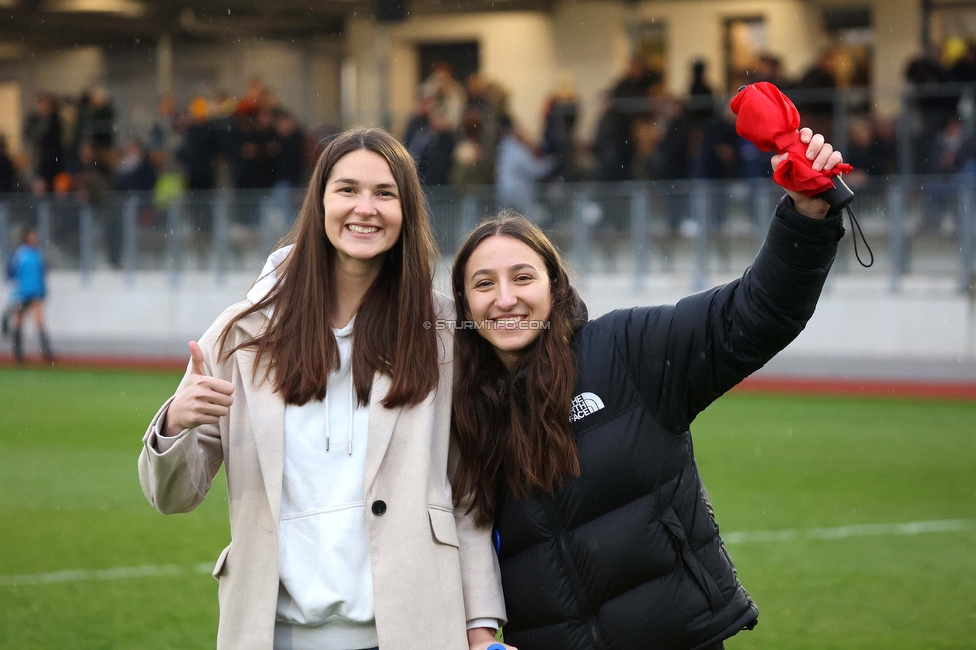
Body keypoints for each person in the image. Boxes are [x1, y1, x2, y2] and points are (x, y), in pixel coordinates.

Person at [450, 129, 847, 650]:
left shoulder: (625, 348)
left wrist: (807, 213)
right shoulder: (459, 409)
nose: (505, 299)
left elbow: (755, 314)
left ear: (555, 285)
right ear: (463, 305)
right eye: (484, 284)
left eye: (523, 277)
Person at [138, 128, 511, 650]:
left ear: (407, 211)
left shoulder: (443, 331)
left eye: (385, 193)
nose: (366, 208)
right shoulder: (241, 333)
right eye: (347, 190)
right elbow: (172, 495)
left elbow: (467, 495)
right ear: (319, 203)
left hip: (416, 629)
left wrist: (480, 628)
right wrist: (176, 423)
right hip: (274, 634)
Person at [4, 228, 54, 363]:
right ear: (26, 237)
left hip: (35, 292)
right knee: (19, 321)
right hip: (22, 294)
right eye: (32, 236)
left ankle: (47, 352)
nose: (35, 239)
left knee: (39, 321)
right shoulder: (19, 253)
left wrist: (42, 291)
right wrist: (15, 292)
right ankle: (18, 353)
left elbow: (42, 274)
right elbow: (11, 273)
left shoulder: (38, 253)